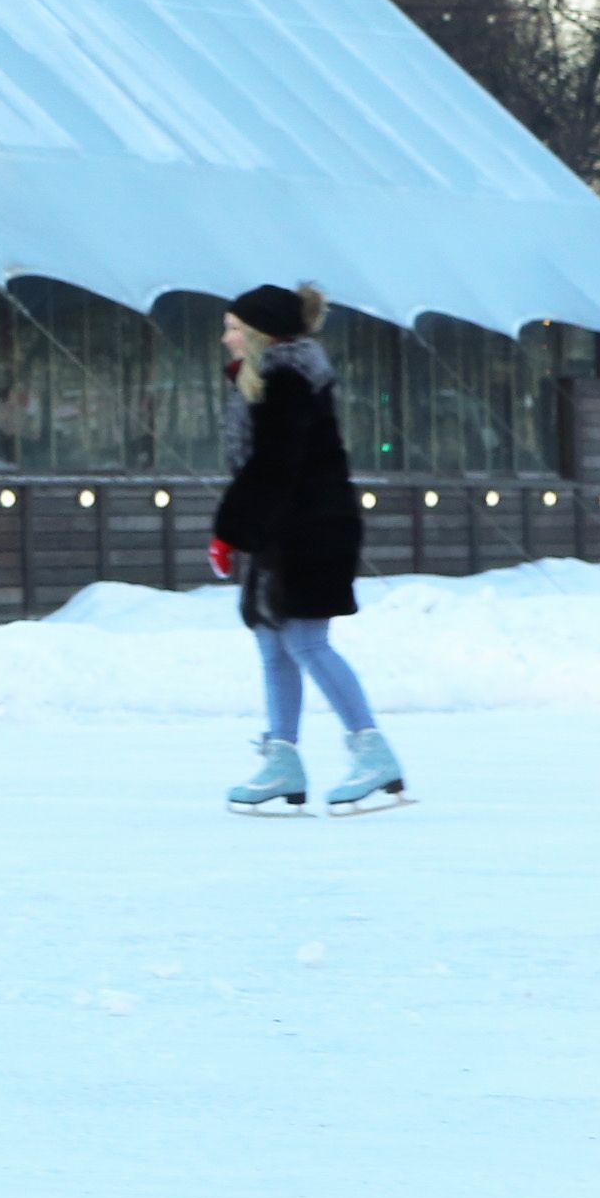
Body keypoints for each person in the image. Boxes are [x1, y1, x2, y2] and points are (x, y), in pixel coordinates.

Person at [210, 281, 406, 815]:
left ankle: (374, 752)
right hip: (285, 529)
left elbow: (274, 465)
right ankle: (283, 759)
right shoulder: (267, 379)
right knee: (274, 645)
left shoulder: (286, 380)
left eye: (232, 328)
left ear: (258, 334)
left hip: (311, 530)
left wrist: (231, 529)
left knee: (306, 642)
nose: (225, 338)